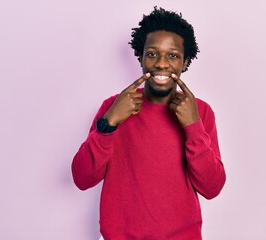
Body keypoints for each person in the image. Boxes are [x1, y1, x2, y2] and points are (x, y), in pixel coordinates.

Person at [72, 7, 226, 240]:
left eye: (173, 55)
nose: (161, 64)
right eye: (152, 54)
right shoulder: (112, 107)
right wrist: (109, 123)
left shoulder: (200, 112)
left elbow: (212, 188)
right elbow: (83, 179)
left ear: (185, 62)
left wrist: (193, 127)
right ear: (141, 57)